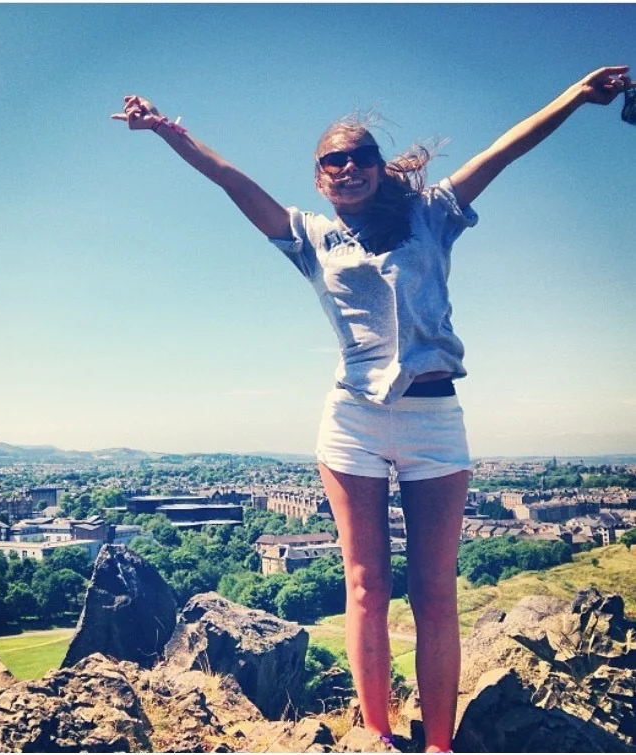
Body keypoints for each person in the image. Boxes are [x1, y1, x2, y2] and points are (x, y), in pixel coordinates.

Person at [112, 66, 631, 752]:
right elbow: (232, 179)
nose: (348, 165)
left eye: (360, 155)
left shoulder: (432, 214)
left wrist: (572, 96)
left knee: (434, 591)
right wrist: (165, 129)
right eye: (334, 159)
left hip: (434, 417)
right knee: (364, 585)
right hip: (352, 420)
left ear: (379, 168)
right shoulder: (310, 238)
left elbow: (503, 150)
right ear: (320, 176)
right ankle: (380, 735)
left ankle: (440, 743)